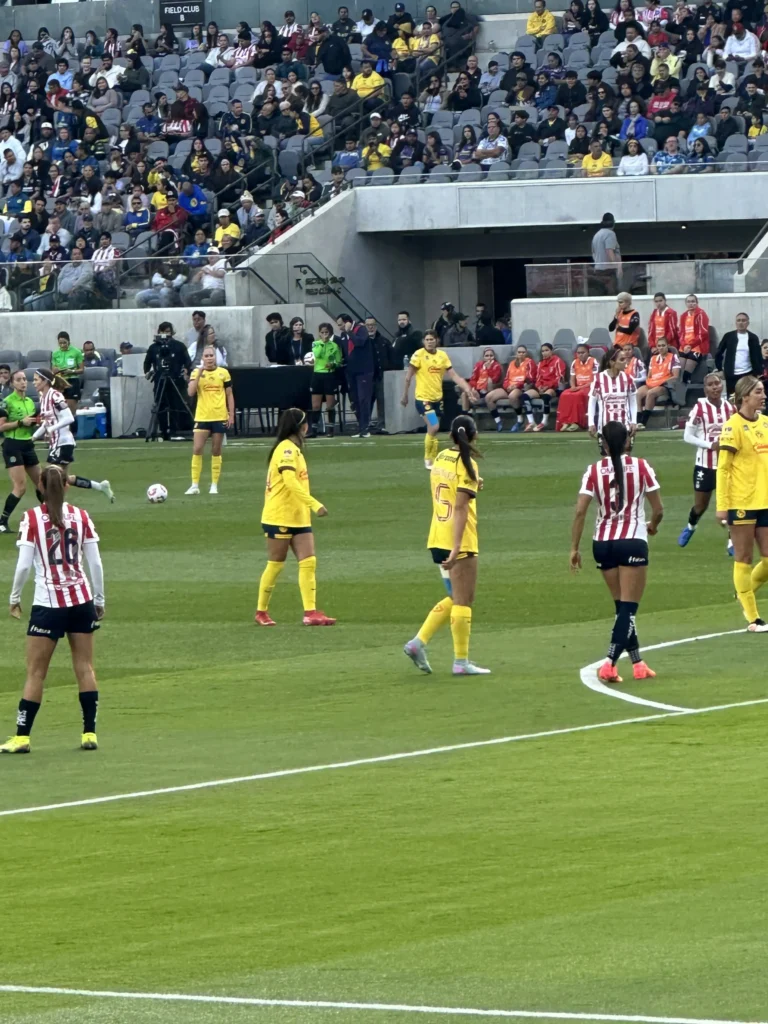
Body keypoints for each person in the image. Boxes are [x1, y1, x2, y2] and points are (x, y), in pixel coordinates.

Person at [0, 465, 104, 754]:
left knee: (36, 673)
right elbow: (94, 563)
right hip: (81, 600)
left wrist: (14, 597)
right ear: (66, 487)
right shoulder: (82, 517)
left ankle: (22, 737)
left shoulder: (31, 518)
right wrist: (99, 600)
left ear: (41, 486)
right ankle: (89, 732)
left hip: (49, 604)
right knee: (85, 667)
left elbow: (23, 565)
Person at [570, 419, 663, 683]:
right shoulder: (642, 466)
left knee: (621, 607)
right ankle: (610, 662)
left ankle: (637, 663)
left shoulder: (593, 470)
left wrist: (574, 548)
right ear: (626, 441)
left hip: (603, 543)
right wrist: (653, 527)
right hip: (632, 539)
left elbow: (580, 511)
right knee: (628, 610)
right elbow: (658, 509)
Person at [403, 414, 489, 676]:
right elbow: (461, 507)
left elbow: (449, 489)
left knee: (456, 597)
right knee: (464, 600)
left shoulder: (441, 458)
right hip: (458, 541)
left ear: (451, 436)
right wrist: (456, 548)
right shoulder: (468, 464)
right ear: (474, 436)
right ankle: (461, 662)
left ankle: (418, 643)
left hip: (436, 537)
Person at [255, 408, 335, 627]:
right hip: (279, 516)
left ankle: (310, 612)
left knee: (309, 562)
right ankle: (261, 611)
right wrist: (315, 504)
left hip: (299, 516)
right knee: (276, 565)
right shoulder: (286, 450)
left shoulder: (295, 450)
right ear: (301, 427)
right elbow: (290, 482)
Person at [716, 376, 768, 631]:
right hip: (742, 501)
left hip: (765, 500)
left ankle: (743, 591)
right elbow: (723, 469)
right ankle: (753, 618)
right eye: (759, 391)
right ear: (745, 396)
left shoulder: (766, 423)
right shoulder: (732, 427)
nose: (763, 395)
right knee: (744, 556)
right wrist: (722, 504)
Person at [31, 369, 113, 502]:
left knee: (48, 479)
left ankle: (56, 508)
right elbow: (47, 422)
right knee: (65, 478)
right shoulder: (43, 397)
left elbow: (69, 418)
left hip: (63, 442)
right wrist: (34, 437)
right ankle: (100, 486)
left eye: (36, 379)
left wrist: (52, 429)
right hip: (56, 443)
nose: (33, 383)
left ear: (45, 381)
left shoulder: (55, 396)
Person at [401, 330, 477, 469]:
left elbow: (454, 376)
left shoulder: (442, 356)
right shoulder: (418, 355)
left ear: (437, 341)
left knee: (435, 428)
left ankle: (433, 458)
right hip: (423, 398)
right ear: (423, 341)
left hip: (437, 398)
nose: (430, 342)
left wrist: (467, 389)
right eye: (427, 339)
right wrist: (405, 395)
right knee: (434, 426)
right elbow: (408, 376)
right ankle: (427, 459)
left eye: (432, 339)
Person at [678, 373, 735, 550]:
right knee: (700, 506)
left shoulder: (730, 408)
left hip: (727, 464)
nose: (715, 387)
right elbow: (687, 436)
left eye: (717, 383)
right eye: (710, 384)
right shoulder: (699, 408)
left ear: (722, 386)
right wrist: (710, 444)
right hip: (705, 465)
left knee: (731, 504)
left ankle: (732, 541)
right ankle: (690, 527)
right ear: (705, 389)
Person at [185, 346, 234, 496]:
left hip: (219, 416)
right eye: (206, 356)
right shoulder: (196, 373)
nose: (209, 358)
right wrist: (199, 372)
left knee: (216, 450)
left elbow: (230, 395)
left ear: (215, 357)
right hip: (202, 416)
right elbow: (191, 392)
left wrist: (231, 415)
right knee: (197, 448)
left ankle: (214, 485)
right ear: (202, 358)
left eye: (211, 355)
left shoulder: (223, 373)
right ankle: (194, 485)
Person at [0, 370, 41, 535]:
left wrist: (36, 423)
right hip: (12, 445)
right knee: (20, 487)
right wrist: (20, 422)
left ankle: (52, 517)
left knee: (42, 484)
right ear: (12, 383)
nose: (23, 382)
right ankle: (2, 521)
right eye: (19, 380)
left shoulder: (30, 402)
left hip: (27, 445)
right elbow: (1, 427)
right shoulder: (6, 402)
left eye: (25, 379)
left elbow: (29, 423)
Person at [588, 345, 638, 439]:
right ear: (612, 362)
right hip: (604, 427)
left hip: (625, 426)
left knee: (625, 453)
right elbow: (592, 401)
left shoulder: (628, 379)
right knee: (607, 454)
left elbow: (633, 402)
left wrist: (634, 422)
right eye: (622, 359)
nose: (625, 362)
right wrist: (591, 423)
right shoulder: (598, 379)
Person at [485, 346, 538, 432]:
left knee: (512, 396)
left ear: (526, 353)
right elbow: (506, 378)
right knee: (489, 397)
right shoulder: (512, 363)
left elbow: (530, 379)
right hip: (509, 387)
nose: (521, 354)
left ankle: (520, 419)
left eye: (523, 352)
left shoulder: (530, 362)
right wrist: (507, 386)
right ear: (516, 354)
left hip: (521, 388)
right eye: (519, 352)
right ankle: (498, 421)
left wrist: (517, 386)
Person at [521, 342, 567, 432]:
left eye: (547, 350)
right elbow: (537, 378)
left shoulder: (558, 361)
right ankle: (531, 421)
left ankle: (544, 421)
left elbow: (559, 378)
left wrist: (547, 386)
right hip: (541, 388)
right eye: (542, 351)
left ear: (551, 351)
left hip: (553, 388)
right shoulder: (540, 363)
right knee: (524, 396)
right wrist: (539, 387)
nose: (544, 353)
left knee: (546, 396)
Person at [716, 312, 762, 397]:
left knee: (747, 398)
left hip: (748, 374)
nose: (741, 323)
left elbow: (758, 356)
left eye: (743, 320)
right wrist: (719, 369)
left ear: (748, 323)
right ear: (735, 322)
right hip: (731, 375)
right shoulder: (728, 336)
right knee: (732, 399)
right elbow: (718, 353)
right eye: (738, 320)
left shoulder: (753, 338)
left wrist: (759, 372)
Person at [556, 343, 599, 432]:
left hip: (590, 387)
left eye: (583, 352)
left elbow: (595, 380)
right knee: (565, 394)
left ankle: (577, 422)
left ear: (588, 352)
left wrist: (580, 387)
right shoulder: (574, 362)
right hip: (578, 387)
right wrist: (573, 386)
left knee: (577, 395)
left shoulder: (594, 361)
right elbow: (572, 378)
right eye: (578, 353)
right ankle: (565, 421)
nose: (580, 354)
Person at [310, 323, 342, 438]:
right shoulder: (315, 344)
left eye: (326, 333)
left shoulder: (334, 345)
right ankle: (314, 430)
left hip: (329, 376)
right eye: (322, 333)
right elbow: (316, 355)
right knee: (316, 405)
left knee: (330, 405)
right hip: (317, 375)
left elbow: (338, 361)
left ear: (330, 333)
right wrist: (322, 343)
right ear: (319, 333)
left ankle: (331, 430)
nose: (324, 335)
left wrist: (332, 364)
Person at [51, 331, 83, 421]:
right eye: (60, 343)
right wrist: (55, 370)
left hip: (72, 380)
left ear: (69, 341)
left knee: (71, 406)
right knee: (60, 406)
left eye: (64, 343)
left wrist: (72, 371)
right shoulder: (55, 353)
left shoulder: (76, 352)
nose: (62, 345)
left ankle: (73, 429)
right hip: (60, 381)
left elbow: (82, 370)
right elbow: (53, 368)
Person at [677, 293, 710, 382]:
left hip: (697, 346)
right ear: (686, 303)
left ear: (697, 302)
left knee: (686, 373)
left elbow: (703, 333)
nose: (691, 304)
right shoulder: (683, 316)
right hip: (685, 347)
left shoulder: (701, 314)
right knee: (679, 370)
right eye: (688, 302)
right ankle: (681, 391)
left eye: (693, 301)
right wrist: (684, 345)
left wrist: (690, 345)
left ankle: (689, 388)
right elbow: (680, 334)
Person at [463, 348, 502, 414]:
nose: (489, 358)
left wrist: (488, 368)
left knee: (489, 381)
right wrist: (474, 388)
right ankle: (465, 416)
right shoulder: (478, 365)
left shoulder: (497, 366)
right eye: (487, 356)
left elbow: (495, 379)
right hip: (478, 390)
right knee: (464, 394)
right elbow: (473, 379)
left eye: (491, 355)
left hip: (490, 389)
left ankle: (486, 400)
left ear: (494, 357)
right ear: (483, 357)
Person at [591, 212, 621, 294]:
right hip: (609, 271)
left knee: (601, 296)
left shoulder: (596, 235)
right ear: (613, 223)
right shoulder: (610, 234)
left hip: (598, 270)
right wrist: (617, 266)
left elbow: (593, 253)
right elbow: (609, 251)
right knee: (612, 295)